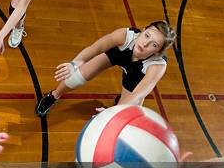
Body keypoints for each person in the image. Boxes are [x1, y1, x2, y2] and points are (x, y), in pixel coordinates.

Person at [35, 21, 177, 117]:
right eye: (146, 36)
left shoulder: (157, 66)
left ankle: (118, 103)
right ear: (143, 31)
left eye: (154, 45)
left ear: (158, 52)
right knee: (76, 77)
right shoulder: (125, 36)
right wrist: (75, 63)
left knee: (127, 110)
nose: (145, 44)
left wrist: (113, 113)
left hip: (136, 76)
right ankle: (54, 95)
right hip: (118, 55)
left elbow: (138, 95)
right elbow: (96, 48)